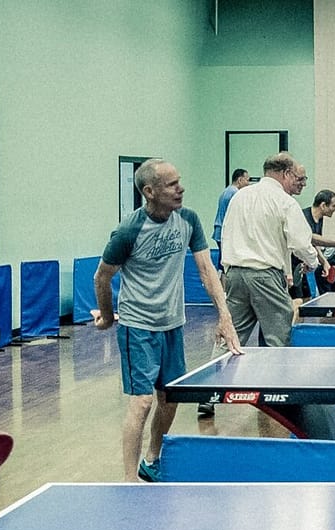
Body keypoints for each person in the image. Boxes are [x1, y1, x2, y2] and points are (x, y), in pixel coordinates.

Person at [94, 159, 241, 483]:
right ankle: (130, 480)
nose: (181, 188)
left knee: (170, 397)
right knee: (142, 401)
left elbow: (206, 270)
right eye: (172, 184)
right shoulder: (129, 230)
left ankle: (153, 457)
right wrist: (106, 315)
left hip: (173, 324)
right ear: (149, 191)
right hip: (138, 326)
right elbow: (102, 276)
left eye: (179, 181)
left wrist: (225, 317)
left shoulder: (188, 220)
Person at [219, 153, 327, 351]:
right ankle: (275, 381)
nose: (299, 183)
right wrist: (313, 263)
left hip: (234, 275)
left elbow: (226, 234)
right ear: (286, 173)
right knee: (278, 341)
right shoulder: (285, 201)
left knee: (231, 339)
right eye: (297, 177)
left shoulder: (240, 196)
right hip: (265, 278)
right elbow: (301, 243)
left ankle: (212, 379)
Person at [213, 168, 250, 246]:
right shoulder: (235, 193)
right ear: (240, 180)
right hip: (226, 232)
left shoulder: (226, 191)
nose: (248, 183)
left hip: (220, 229)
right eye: (247, 180)